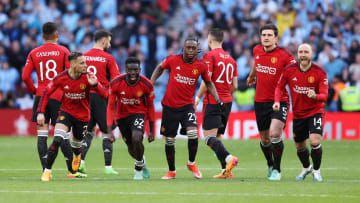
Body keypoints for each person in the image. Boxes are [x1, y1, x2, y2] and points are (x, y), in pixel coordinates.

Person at [151, 36, 224, 179]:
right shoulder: (173, 59)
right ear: (183, 48)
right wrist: (150, 83)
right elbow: (160, 68)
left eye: (193, 48)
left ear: (197, 50)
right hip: (169, 106)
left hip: (187, 107)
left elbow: (209, 83)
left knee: (192, 134)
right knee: (170, 140)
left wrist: (218, 99)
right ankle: (171, 171)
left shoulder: (201, 65)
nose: (190, 50)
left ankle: (191, 163)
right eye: (188, 47)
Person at [38, 51, 108, 181]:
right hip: (66, 113)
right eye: (82, 63)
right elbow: (46, 92)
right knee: (57, 139)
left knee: (76, 146)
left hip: (82, 117)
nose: (85, 65)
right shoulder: (61, 78)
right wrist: (40, 112)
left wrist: (95, 85)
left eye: (85, 62)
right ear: (73, 64)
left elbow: (104, 95)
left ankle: (77, 156)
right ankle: (47, 172)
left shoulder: (88, 77)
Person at [22, 22, 73, 176]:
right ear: (57, 35)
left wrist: (34, 90)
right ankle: (71, 170)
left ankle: (46, 170)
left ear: (43, 36)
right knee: (62, 133)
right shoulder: (64, 51)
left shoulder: (34, 53)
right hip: (59, 97)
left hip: (41, 96)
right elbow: (69, 76)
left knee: (42, 135)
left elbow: (25, 76)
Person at [247, 23, 296, 181]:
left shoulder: (285, 55)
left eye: (269, 35)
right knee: (264, 139)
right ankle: (269, 163)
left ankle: (277, 169)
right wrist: (252, 74)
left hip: (279, 101)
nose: (266, 38)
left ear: (276, 38)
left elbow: (295, 74)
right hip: (260, 100)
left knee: (275, 133)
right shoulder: (256, 50)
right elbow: (257, 61)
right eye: (264, 35)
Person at [273, 43, 328, 182]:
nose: (303, 54)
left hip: (315, 111)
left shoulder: (319, 72)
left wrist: (315, 96)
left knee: (315, 141)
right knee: (299, 146)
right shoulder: (289, 70)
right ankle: (306, 167)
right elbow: (279, 87)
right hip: (298, 113)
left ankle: (316, 171)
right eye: (300, 52)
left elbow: (325, 96)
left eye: (306, 52)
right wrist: (277, 101)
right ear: (298, 54)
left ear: (312, 54)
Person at [195, 28, 239, 179]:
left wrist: (198, 98)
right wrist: (225, 95)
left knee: (208, 137)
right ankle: (225, 171)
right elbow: (235, 86)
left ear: (209, 40)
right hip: (227, 102)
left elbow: (207, 81)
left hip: (213, 101)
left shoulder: (209, 56)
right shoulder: (231, 59)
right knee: (217, 137)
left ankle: (229, 159)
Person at [107, 57, 155, 180]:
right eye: (130, 70)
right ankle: (142, 162)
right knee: (131, 147)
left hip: (139, 113)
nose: (133, 73)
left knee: (137, 138)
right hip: (122, 117)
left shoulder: (147, 84)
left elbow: (150, 107)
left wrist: (152, 130)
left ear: (140, 69)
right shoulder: (115, 83)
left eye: (135, 70)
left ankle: (138, 170)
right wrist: (109, 131)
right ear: (125, 70)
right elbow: (111, 107)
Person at [79, 29, 120, 175]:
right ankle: (108, 167)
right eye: (109, 41)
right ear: (103, 41)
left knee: (88, 131)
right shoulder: (108, 58)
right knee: (106, 131)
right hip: (101, 96)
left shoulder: (83, 56)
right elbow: (116, 80)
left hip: (84, 97)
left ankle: (80, 163)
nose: (109, 43)